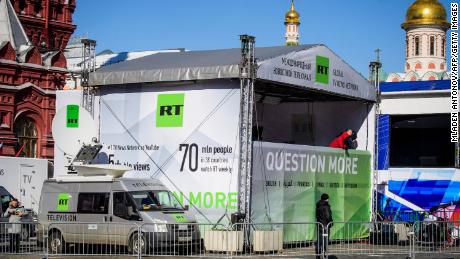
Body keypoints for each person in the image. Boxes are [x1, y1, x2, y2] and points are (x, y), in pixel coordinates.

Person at [316, 193, 333, 259]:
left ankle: (318, 256)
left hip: (319, 225)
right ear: (326, 199)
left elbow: (317, 216)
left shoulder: (318, 205)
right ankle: (325, 255)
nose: (328, 200)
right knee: (325, 241)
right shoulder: (326, 206)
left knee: (319, 241)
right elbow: (328, 216)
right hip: (326, 226)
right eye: (328, 198)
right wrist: (331, 222)